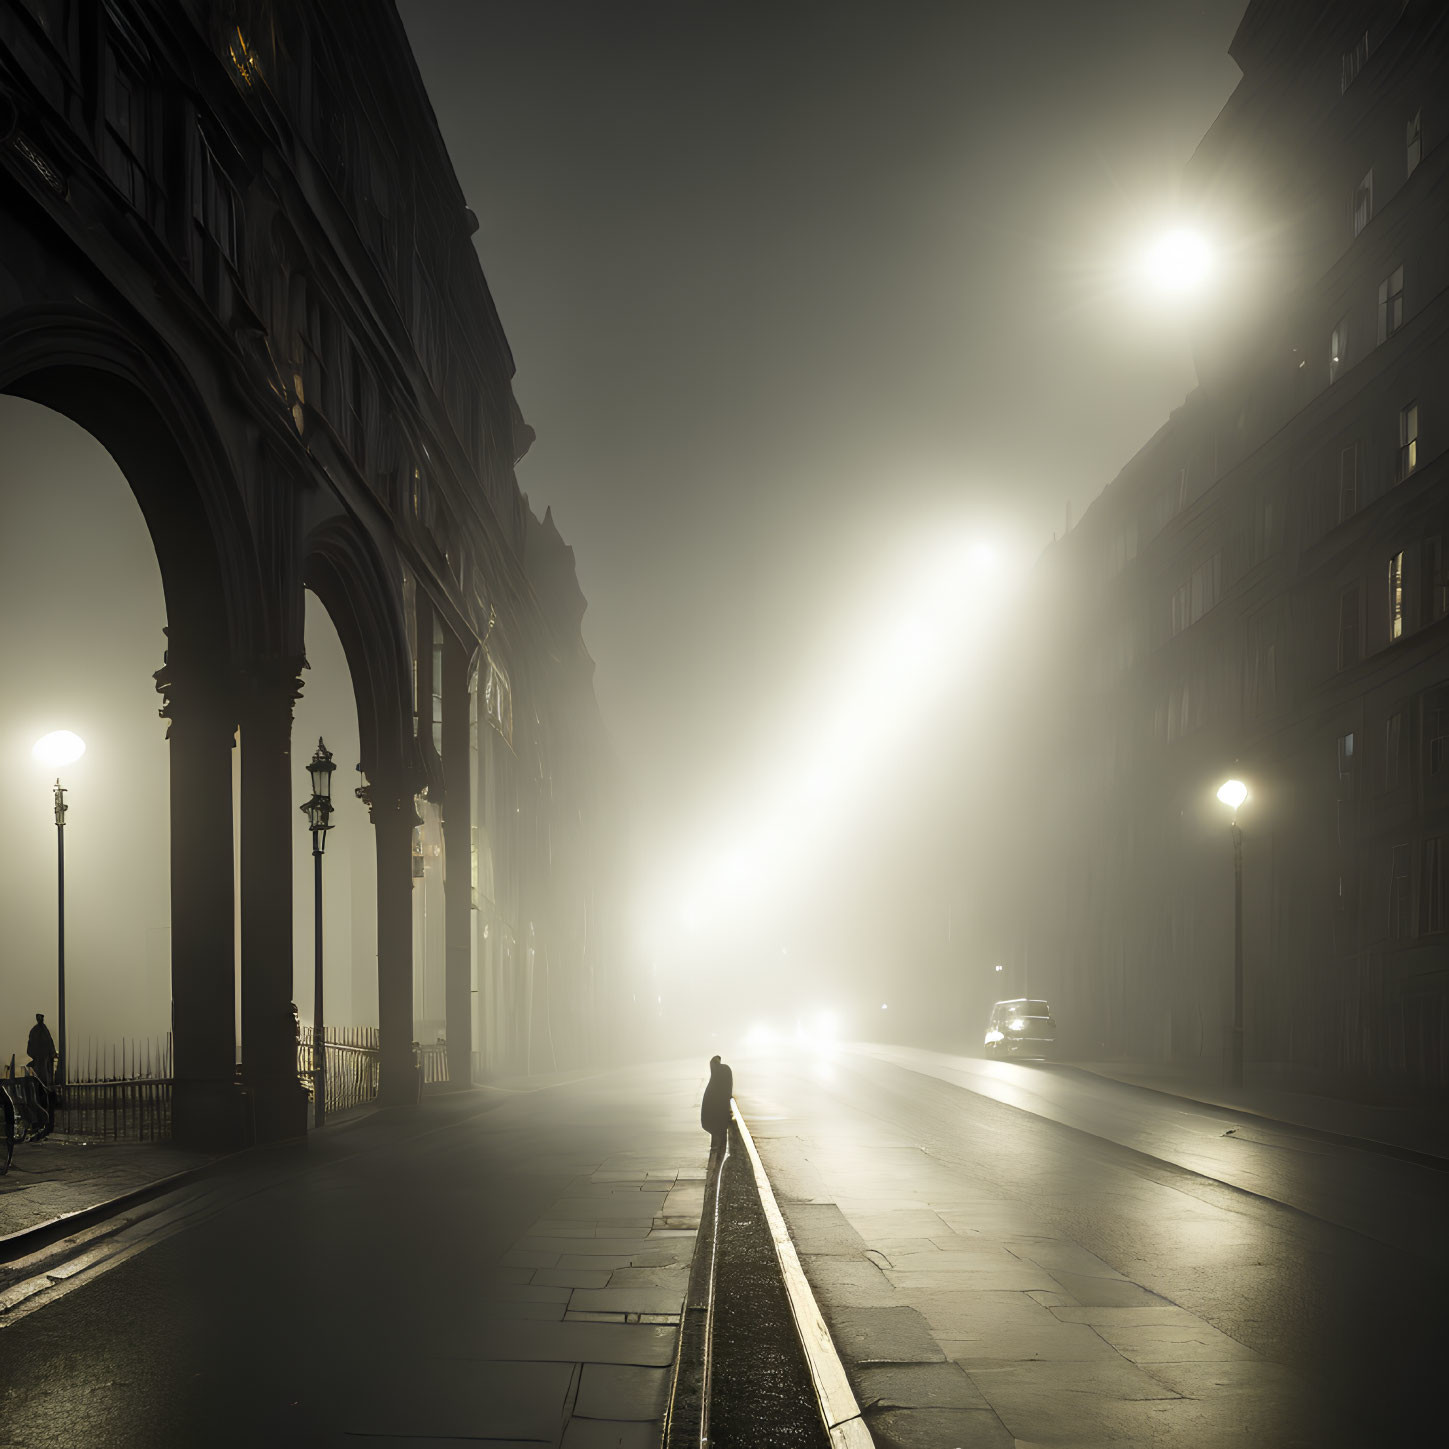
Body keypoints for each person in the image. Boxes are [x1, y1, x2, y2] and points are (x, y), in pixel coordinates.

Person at [700, 1054, 733, 1156]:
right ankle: (717, 1155)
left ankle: (716, 1154)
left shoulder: (713, 1083)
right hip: (721, 1113)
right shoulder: (725, 1070)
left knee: (718, 1136)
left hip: (716, 1114)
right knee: (720, 1135)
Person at [27, 1014, 56, 1086]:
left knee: (44, 1073)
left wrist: (52, 1053)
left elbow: (49, 1041)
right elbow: (30, 1043)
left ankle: (44, 1085)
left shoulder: (44, 1030)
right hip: (38, 1056)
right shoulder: (35, 1030)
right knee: (39, 1073)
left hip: (44, 1057)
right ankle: (40, 1085)